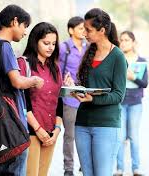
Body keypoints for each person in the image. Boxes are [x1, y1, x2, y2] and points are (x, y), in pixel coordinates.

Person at [0, 4, 44, 176]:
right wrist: (34, 80)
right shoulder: (4, 46)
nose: (25, 32)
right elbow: (16, 81)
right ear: (15, 21)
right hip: (11, 128)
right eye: (24, 26)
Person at [72, 8, 127, 176]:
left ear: (102, 30)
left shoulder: (117, 56)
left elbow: (119, 95)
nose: (84, 33)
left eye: (88, 30)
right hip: (82, 123)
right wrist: (74, 87)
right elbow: (87, 84)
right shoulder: (88, 52)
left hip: (106, 125)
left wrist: (92, 99)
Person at [17, 22, 63, 176]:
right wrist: (38, 129)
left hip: (51, 132)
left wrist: (57, 130)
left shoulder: (55, 67)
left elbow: (59, 100)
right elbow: (22, 101)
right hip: (31, 130)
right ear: (35, 42)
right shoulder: (23, 64)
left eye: (53, 44)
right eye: (46, 43)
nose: (50, 47)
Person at [114, 31, 148, 176]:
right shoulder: (118, 59)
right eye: (121, 40)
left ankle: (136, 168)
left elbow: (145, 83)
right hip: (120, 103)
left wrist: (133, 77)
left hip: (135, 103)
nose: (123, 43)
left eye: (127, 40)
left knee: (134, 136)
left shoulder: (141, 61)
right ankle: (120, 168)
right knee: (120, 137)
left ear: (133, 42)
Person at [59, 16, 86, 176]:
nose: (83, 31)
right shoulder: (63, 48)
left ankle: (85, 163)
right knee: (70, 135)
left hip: (87, 98)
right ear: (71, 30)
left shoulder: (89, 47)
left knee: (84, 133)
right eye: (80, 28)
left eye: (85, 29)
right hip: (69, 99)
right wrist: (65, 81)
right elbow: (57, 71)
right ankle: (68, 168)